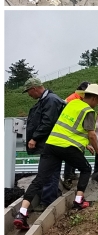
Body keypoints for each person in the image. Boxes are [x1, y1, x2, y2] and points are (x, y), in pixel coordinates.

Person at [13, 84, 98, 231]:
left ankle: (22, 213)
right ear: (94, 98)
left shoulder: (72, 103)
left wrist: (85, 145)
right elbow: (91, 134)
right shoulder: (89, 111)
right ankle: (79, 200)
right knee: (86, 168)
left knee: (40, 179)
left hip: (51, 145)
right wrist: (97, 149)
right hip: (67, 147)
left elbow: (72, 128)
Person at [23, 77, 66, 212]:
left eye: (29, 92)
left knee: (48, 171)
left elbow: (47, 122)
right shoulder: (47, 99)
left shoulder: (50, 100)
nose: (29, 95)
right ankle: (51, 196)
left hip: (51, 142)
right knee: (50, 170)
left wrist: (35, 138)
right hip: (50, 142)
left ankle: (48, 202)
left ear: (34, 89)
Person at [62, 81, 91, 189]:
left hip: (73, 128)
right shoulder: (75, 99)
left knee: (76, 152)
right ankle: (68, 177)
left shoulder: (77, 97)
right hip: (69, 129)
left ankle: (71, 174)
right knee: (71, 154)